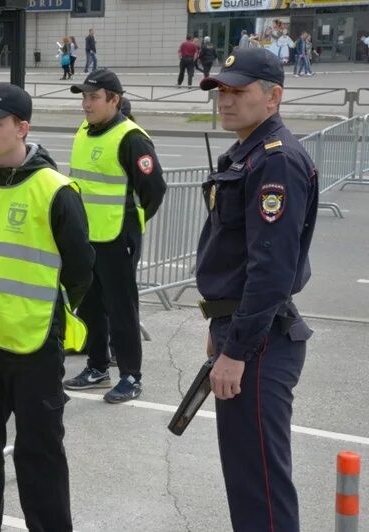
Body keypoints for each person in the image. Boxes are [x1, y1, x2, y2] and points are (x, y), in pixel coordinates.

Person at [0, 83, 94, 532]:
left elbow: (80, 270)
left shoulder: (55, 190)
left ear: (22, 128)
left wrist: (47, 313)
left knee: (39, 451)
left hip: (33, 343)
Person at [197, 47, 318, 532]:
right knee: (248, 479)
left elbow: (270, 270)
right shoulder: (247, 151)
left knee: (261, 486)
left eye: (238, 91)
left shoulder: (275, 161)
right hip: (243, 330)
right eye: (221, 90)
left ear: (273, 98)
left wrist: (236, 350)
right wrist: (218, 328)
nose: (225, 100)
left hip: (261, 341)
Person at [62, 70, 166, 403]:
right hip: (86, 236)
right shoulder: (84, 130)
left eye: (93, 97)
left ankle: (131, 376)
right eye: (83, 97)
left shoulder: (131, 138)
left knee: (121, 308)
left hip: (117, 237)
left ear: (114, 100)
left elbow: (153, 190)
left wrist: (131, 223)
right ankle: (97, 366)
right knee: (92, 306)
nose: (86, 104)